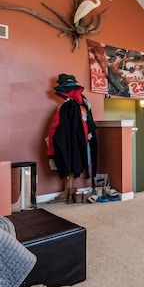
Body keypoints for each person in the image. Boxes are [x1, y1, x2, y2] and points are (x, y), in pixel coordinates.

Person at [47, 74, 98, 202]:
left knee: (70, 160)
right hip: (77, 139)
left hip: (74, 140)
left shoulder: (72, 106)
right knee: (71, 160)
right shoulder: (78, 105)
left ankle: (70, 191)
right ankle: (69, 190)